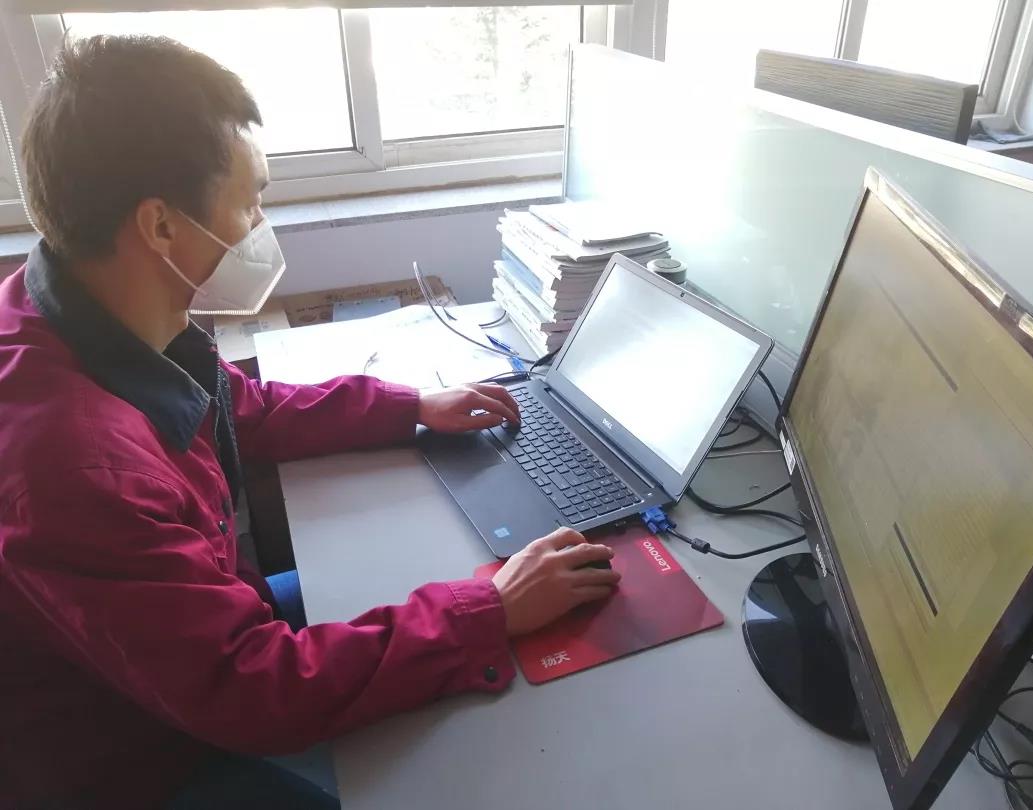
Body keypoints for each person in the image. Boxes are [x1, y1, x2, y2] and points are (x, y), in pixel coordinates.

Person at [0, 34, 620, 808]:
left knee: (395, 580)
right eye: (250, 201)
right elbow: (254, 690)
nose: (261, 222)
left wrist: (408, 407)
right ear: (159, 227)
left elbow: (238, 408)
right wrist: (490, 611)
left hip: (185, 645)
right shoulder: (70, 468)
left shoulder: (71, 305)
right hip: (135, 756)